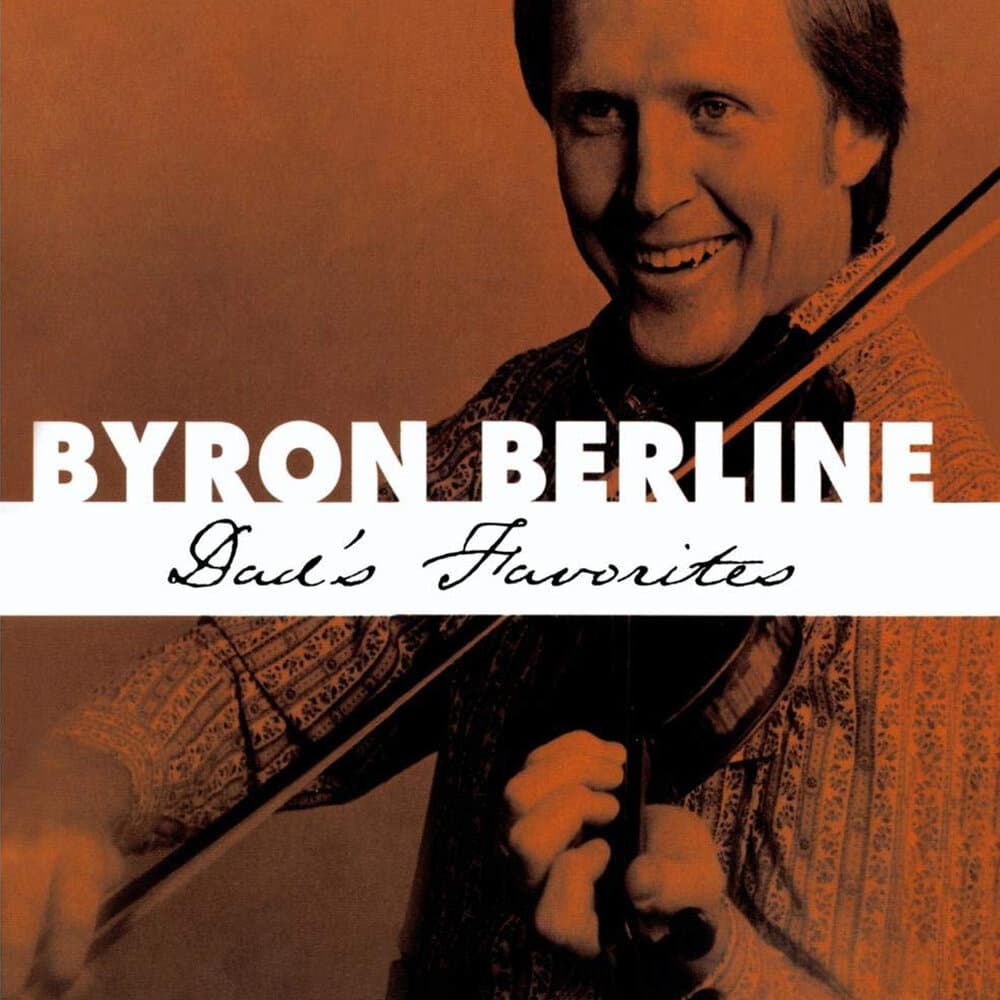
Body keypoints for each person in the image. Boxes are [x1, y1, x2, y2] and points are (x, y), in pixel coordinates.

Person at [3, 0, 997, 997]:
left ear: (855, 127)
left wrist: (711, 959)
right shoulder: (548, 401)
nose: (649, 190)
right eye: (598, 111)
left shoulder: (926, 526)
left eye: (713, 108)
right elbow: (281, 663)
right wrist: (76, 795)